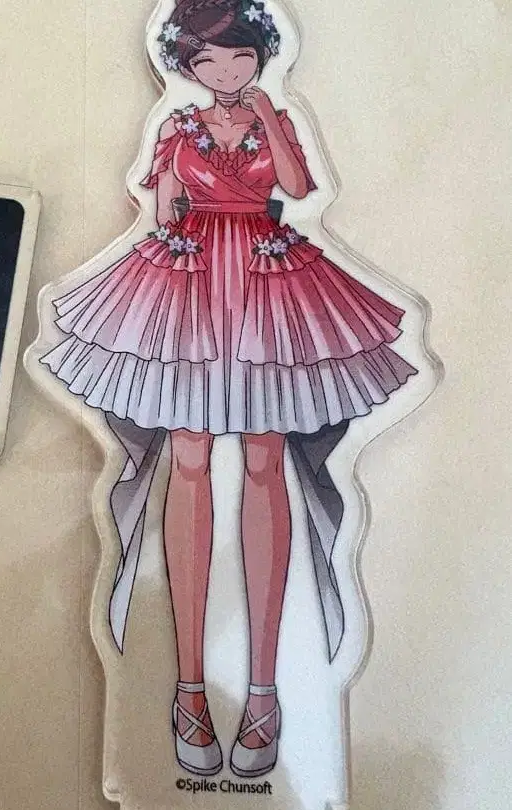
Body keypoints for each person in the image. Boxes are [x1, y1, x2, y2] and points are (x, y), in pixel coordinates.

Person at [40, 0, 416, 779]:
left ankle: (265, 691)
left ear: (261, 55)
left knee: (266, 461)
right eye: (208, 60)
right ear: (186, 64)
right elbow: (161, 206)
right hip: (192, 285)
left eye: (239, 57)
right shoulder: (177, 127)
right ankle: (188, 688)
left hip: (266, 282)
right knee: (186, 457)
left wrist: (271, 114)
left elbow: (298, 186)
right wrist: (168, 219)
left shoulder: (275, 116)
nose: (224, 71)